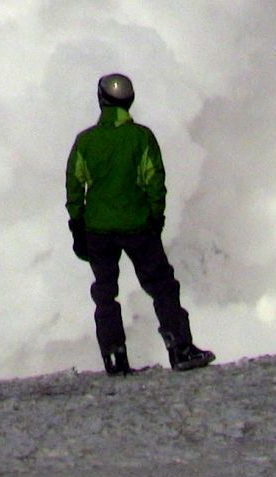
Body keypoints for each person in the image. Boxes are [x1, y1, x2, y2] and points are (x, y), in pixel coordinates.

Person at [65, 71, 212, 375]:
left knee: (105, 293)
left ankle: (114, 356)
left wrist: (77, 224)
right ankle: (180, 347)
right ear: (129, 100)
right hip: (138, 226)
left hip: (98, 229)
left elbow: (74, 185)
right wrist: (155, 217)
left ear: (101, 100)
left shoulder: (85, 142)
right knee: (162, 286)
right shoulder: (141, 138)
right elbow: (155, 181)